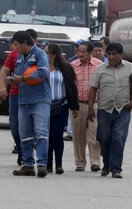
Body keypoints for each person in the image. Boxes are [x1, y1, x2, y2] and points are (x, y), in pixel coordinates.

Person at [88, 42, 132, 178]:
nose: (111, 57)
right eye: (109, 54)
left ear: (120, 54)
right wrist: (90, 108)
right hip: (104, 109)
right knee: (104, 138)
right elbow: (93, 88)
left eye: (114, 54)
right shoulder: (100, 69)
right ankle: (106, 164)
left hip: (123, 109)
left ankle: (116, 168)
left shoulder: (130, 67)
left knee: (118, 137)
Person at [9, 30, 50, 178]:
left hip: (40, 100)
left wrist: (22, 79)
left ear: (25, 43)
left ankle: (42, 164)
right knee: (24, 135)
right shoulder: (19, 57)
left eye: (16, 45)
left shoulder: (40, 54)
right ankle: (27, 165)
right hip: (23, 101)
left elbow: (43, 73)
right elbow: (19, 76)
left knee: (41, 133)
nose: (15, 48)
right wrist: (14, 80)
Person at [45, 43, 78, 174]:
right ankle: (48, 163)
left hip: (61, 105)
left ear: (54, 54)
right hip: (45, 105)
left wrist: (74, 106)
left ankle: (59, 163)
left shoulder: (65, 68)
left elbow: (72, 87)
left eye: (48, 52)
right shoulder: (41, 67)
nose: (47, 55)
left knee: (57, 135)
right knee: (46, 136)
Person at [70, 41, 102, 172]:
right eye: (79, 51)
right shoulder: (72, 66)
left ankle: (95, 162)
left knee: (93, 135)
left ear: (90, 53)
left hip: (94, 105)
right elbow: (70, 86)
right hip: (78, 105)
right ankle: (80, 163)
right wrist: (72, 105)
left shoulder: (99, 65)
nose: (80, 54)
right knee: (78, 136)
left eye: (83, 52)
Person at [0, 41, 22, 165]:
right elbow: (3, 72)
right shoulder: (14, 55)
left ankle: (27, 152)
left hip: (32, 95)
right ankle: (20, 148)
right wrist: (2, 87)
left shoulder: (38, 55)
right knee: (14, 124)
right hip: (15, 94)